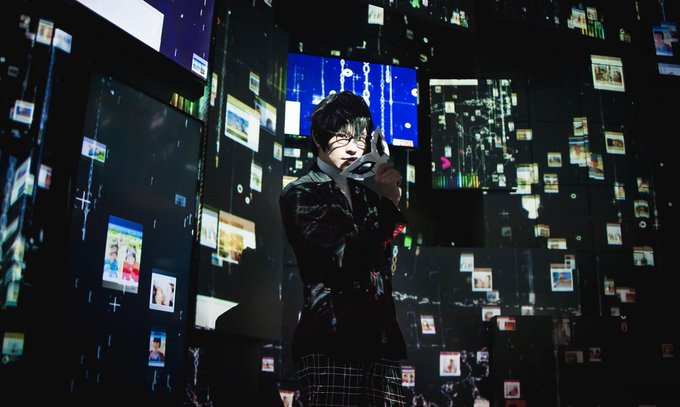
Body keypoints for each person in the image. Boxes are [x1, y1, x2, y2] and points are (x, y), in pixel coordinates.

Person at [279, 91, 407, 406]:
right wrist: (387, 205)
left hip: (380, 340)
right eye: (343, 136)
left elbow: (383, 259)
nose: (353, 147)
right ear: (318, 137)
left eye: (361, 138)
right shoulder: (301, 193)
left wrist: (389, 202)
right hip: (331, 337)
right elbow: (342, 258)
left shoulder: (367, 196)